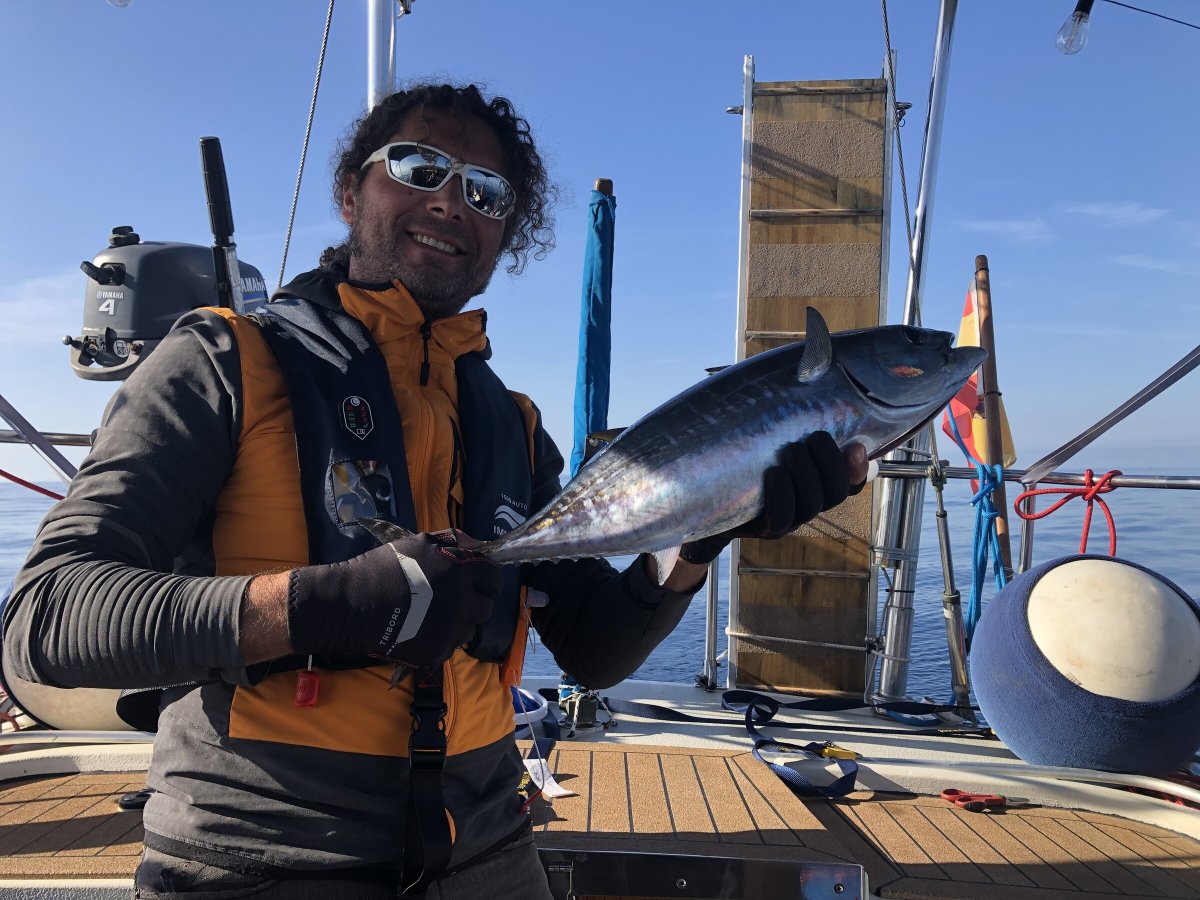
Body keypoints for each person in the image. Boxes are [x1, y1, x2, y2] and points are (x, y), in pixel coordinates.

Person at [3, 82, 867, 899]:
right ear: (351, 192)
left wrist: (704, 533)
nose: (453, 201)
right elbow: (45, 620)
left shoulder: (513, 425)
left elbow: (594, 651)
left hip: (486, 843)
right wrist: (328, 605)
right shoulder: (222, 361)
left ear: (505, 236)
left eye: (487, 193)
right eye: (419, 167)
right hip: (259, 849)